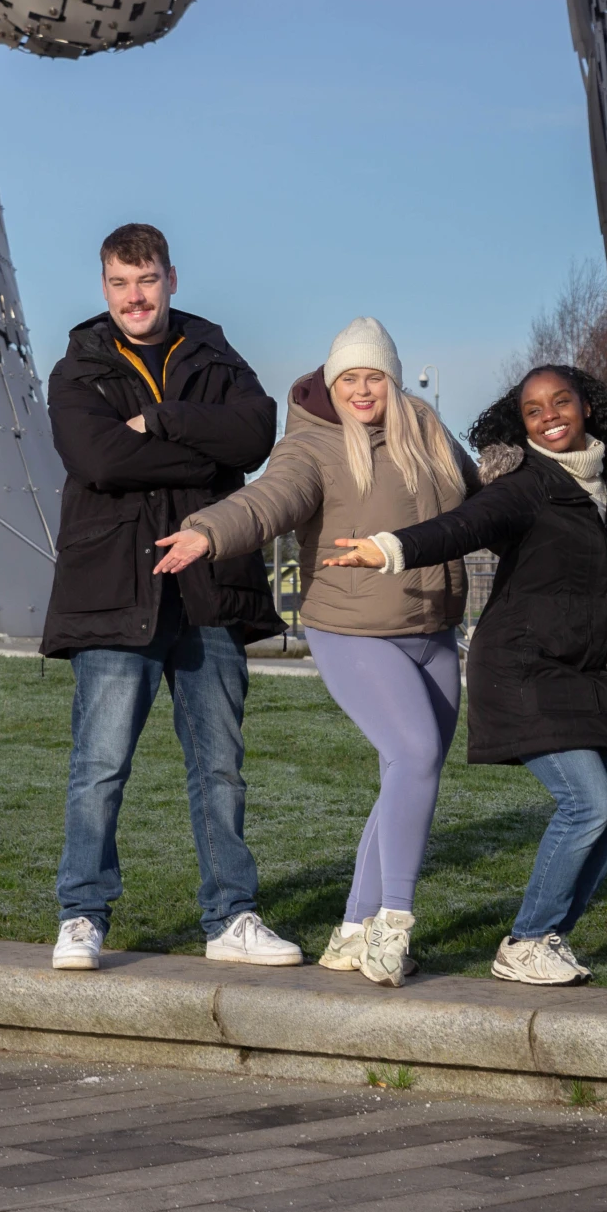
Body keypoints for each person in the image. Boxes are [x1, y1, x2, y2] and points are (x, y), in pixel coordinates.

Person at [154, 318, 476, 987]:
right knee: (414, 754)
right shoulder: (313, 445)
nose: (363, 391)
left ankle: (352, 930)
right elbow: (270, 499)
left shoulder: (426, 429)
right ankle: (393, 924)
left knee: (407, 773)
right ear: (333, 383)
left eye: (374, 377)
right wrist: (209, 531)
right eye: (349, 379)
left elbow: (481, 501)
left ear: (392, 376)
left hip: (434, 628)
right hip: (352, 629)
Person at [327, 366, 607, 986]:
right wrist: (388, 548)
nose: (549, 415)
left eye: (561, 402)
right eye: (533, 410)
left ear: (588, 407)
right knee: (588, 803)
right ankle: (525, 940)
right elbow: (461, 527)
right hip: (521, 666)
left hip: (580, 671)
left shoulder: (605, 484)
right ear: (521, 423)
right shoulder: (526, 485)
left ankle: (547, 937)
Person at [41, 223, 298, 971]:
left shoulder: (215, 353)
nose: (135, 296)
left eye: (146, 279)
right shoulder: (78, 366)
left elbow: (253, 435)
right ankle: (82, 915)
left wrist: (160, 419)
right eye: (120, 283)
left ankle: (231, 917)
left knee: (219, 765)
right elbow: (95, 457)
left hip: (209, 588)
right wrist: (199, 450)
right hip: (114, 590)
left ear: (170, 279)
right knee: (101, 764)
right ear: (104, 288)